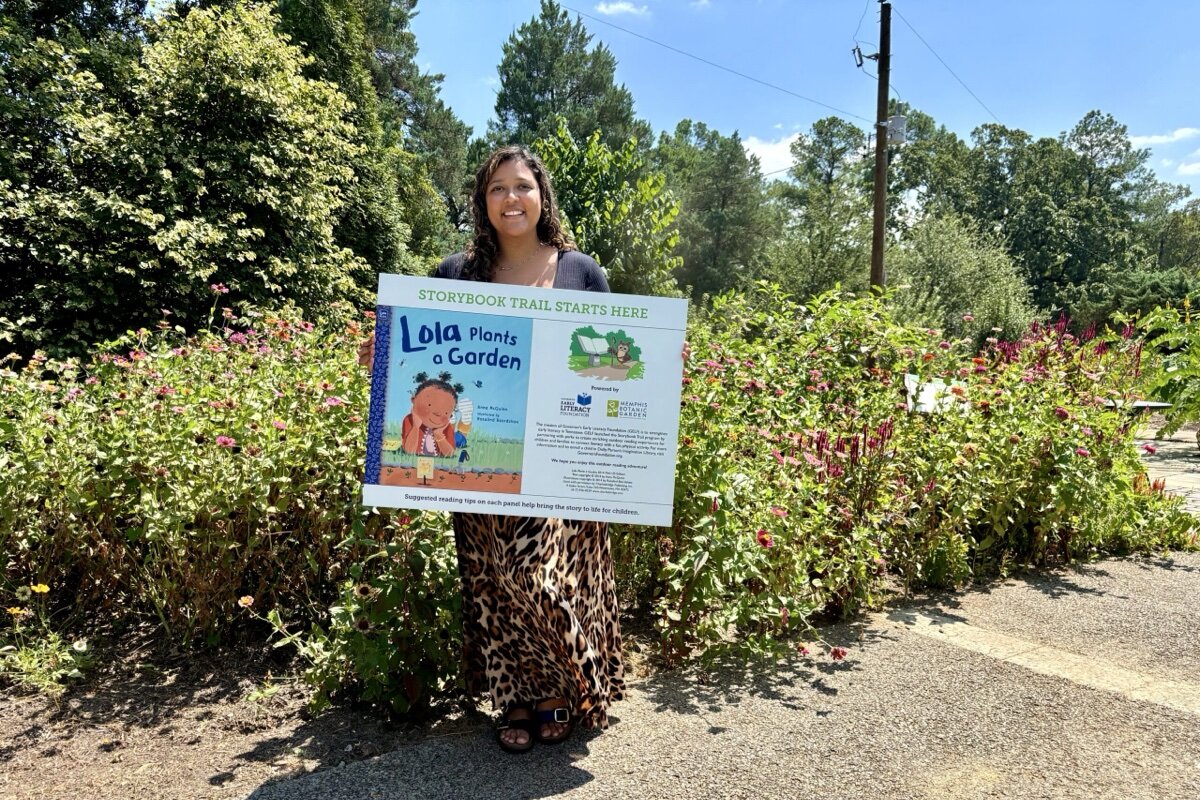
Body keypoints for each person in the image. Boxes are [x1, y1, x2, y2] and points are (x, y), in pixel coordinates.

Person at [363, 145, 624, 754]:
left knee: (541, 575)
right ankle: (517, 696)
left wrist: (656, 363)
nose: (511, 198)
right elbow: (419, 357)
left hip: (561, 456)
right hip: (482, 462)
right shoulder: (455, 273)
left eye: (522, 186)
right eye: (497, 188)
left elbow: (615, 361)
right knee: (495, 583)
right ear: (483, 202)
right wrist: (383, 356)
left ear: (542, 196)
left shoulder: (581, 271)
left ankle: (562, 686)